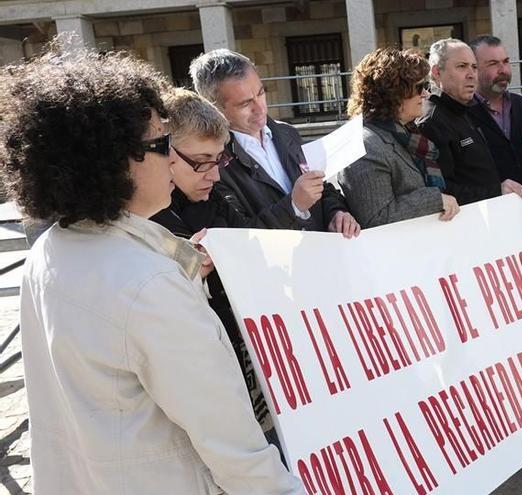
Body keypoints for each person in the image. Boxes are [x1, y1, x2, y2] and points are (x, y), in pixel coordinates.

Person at [0, 46, 301, 494]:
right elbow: (235, 448)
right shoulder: (151, 282)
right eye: (162, 145)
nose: (174, 160)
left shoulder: (50, 252)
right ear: (114, 160)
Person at [150, 88, 293, 437]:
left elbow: (254, 249)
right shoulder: (147, 216)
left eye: (219, 159)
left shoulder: (213, 197)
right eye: (201, 161)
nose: (214, 175)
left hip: (242, 362)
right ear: (164, 152)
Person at [189, 49, 359, 237]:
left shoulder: (288, 134)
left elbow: (323, 188)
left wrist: (337, 213)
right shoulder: (213, 166)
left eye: (261, 93)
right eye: (245, 104)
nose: (259, 108)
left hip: (323, 258)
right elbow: (239, 237)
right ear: (215, 108)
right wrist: (293, 206)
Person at [339, 47, 460, 227]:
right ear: (393, 94)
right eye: (419, 88)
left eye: (425, 86)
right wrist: (434, 200)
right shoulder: (365, 147)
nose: (426, 94)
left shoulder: (408, 134)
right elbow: (376, 218)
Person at [417, 38, 522, 205]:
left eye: (474, 67)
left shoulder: (464, 109)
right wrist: (496, 192)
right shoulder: (432, 121)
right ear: (436, 72)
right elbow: (440, 191)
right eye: (461, 66)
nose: (471, 74)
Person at [467, 35, 522, 189]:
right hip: (489, 208)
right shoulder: (464, 114)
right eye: (493, 64)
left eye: (506, 62)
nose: (503, 70)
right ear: (474, 69)